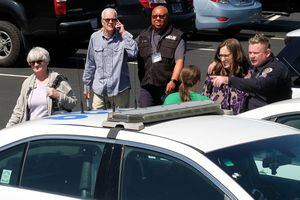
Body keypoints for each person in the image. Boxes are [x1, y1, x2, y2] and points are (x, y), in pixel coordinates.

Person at [211, 33, 292, 111]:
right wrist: (217, 61)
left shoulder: (276, 69)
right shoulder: (257, 61)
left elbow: (260, 85)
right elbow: (237, 57)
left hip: (269, 117)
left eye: (256, 53)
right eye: (250, 52)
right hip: (251, 113)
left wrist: (228, 80)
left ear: (267, 53)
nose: (252, 56)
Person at [6, 47, 77, 127]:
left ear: (46, 62)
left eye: (39, 61)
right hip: (30, 130)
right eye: (32, 62)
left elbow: (73, 103)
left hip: (51, 130)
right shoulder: (27, 82)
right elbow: (19, 110)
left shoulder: (58, 80)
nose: (36, 65)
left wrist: (58, 95)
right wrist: (8, 128)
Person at [83, 8, 138, 109]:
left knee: (120, 121)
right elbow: (90, 63)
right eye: (107, 19)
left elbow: (133, 53)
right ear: (102, 21)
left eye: (113, 19)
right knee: (96, 120)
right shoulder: (95, 37)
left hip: (120, 90)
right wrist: (87, 84)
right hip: (100, 89)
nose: (110, 22)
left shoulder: (124, 37)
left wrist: (123, 32)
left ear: (117, 21)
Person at [137, 5, 185, 107]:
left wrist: (173, 81)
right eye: (155, 16)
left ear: (167, 17)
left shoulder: (177, 36)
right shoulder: (143, 35)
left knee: (167, 117)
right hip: (147, 85)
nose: (158, 19)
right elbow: (131, 50)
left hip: (167, 87)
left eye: (161, 16)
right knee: (144, 114)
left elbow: (179, 61)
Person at [203, 38, 249, 114]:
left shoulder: (247, 72)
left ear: (236, 55)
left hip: (239, 119)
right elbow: (205, 96)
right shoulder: (215, 71)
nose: (223, 59)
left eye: (226, 55)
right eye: (220, 56)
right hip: (217, 118)